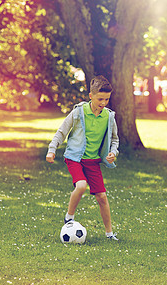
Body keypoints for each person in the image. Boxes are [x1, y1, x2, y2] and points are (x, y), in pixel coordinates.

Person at [46, 75, 120, 241]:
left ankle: (109, 234)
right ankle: (69, 218)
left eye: (107, 99)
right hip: (75, 158)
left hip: (92, 161)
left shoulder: (109, 116)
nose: (103, 103)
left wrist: (113, 153)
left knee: (102, 197)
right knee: (81, 185)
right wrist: (52, 150)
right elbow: (62, 131)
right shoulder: (78, 112)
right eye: (100, 99)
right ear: (90, 96)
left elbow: (115, 139)